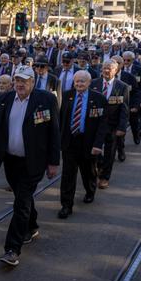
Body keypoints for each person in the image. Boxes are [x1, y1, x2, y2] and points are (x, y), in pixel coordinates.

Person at [0, 65, 60, 267]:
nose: (20, 84)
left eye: (24, 81)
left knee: (21, 202)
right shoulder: (3, 100)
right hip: (11, 161)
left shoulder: (46, 100)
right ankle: (31, 225)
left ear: (32, 82)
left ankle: (12, 249)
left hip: (33, 161)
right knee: (22, 199)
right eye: (17, 80)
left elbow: (54, 133)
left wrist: (53, 162)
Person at [57, 71, 107, 219]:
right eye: (77, 81)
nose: (79, 84)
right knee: (68, 176)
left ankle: (90, 190)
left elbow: (103, 124)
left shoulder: (99, 99)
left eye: (82, 82)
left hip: (89, 143)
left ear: (89, 83)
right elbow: (59, 120)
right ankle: (66, 205)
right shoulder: (65, 96)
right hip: (70, 142)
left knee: (88, 172)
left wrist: (98, 144)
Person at [89, 60, 129, 189]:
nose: (106, 71)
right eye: (104, 68)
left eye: (109, 69)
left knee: (110, 153)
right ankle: (99, 167)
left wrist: (122, 127)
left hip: (112, 124)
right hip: (95, 124)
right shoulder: (94, 83)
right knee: (95, 151)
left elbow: (124, 108)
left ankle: (105, 177)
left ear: (116, 71)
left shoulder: (122, 86)